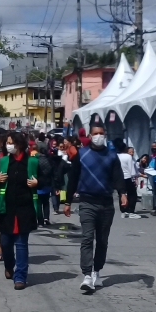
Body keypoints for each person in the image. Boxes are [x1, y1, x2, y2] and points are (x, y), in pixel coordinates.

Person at [65, 124, 128, 294]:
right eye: (95, 133)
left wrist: (123, 193)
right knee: (87, 238)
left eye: (101, 133)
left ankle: (96, 271)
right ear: (90, 136)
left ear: (105, 135)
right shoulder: (82, 154)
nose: (98, 136)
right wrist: (67, 201)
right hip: (87, 203)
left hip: (106, 203)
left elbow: (118, 177)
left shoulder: (111, 155)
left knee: (102, 240)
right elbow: (73, 178)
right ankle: (86, 275)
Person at [0, 132, 39, 289]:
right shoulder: (4, 161)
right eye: (7, 143)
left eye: (11, 143)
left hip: (24, 208)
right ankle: (9, 265)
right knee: (5, 243)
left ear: (19, 145)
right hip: (6, 208)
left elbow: (48, 178)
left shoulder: (32, 162)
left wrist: (37, 183)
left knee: (21, 243)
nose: (8, 146)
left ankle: (20, 276)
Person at [117, 142, 140, 218]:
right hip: (127, 177)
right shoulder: (128, 157)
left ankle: (123, 211)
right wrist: (134, 177)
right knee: (132, 194)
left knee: (122, 194)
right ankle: (131, 211)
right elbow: (132, 170)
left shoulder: (116, 156)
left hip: (119, 178)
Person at [35, 146, 53, 226]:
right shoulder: (49, 160)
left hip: (38, 184)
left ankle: (40, 220)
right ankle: (46, 217)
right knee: (46, 202)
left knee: (38, 203)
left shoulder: (36, 161)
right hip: (47, 183)